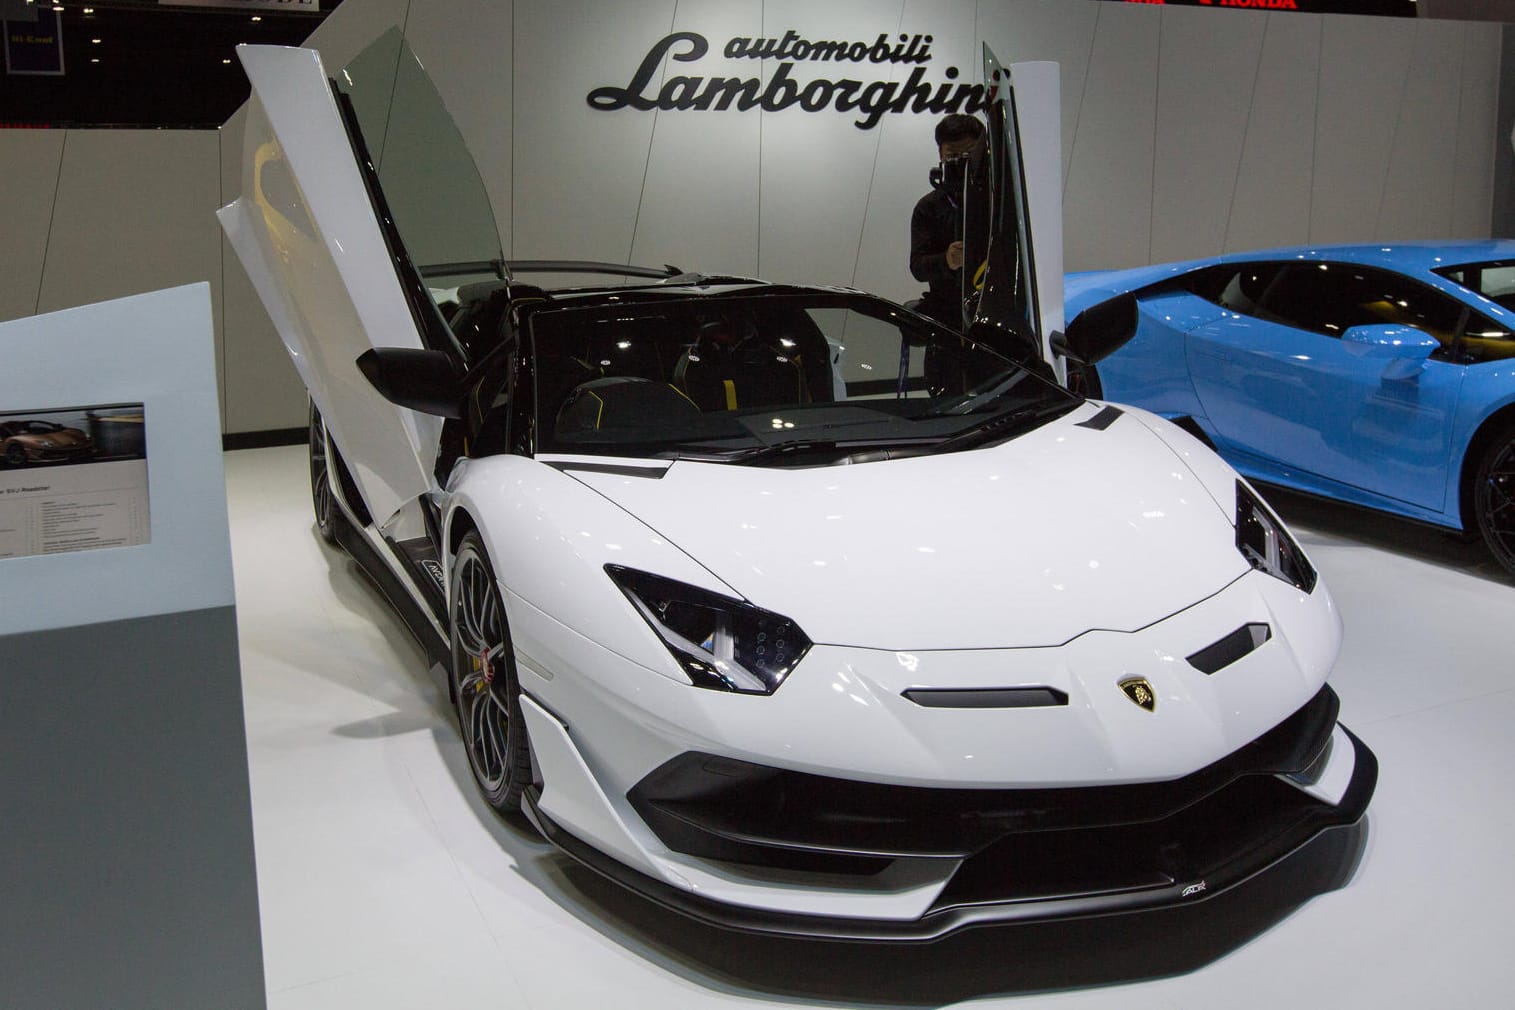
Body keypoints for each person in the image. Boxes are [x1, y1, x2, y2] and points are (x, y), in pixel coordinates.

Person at [909, 114, 985, 331]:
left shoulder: (997, 201)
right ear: (940, 155)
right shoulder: (928, 207)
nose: (960, 162)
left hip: (991, 309)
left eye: (968, 154)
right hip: (944, 314)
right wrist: (947, 260)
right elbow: (917, 267)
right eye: (953, 155)